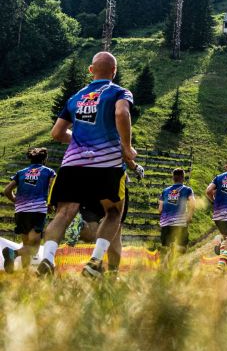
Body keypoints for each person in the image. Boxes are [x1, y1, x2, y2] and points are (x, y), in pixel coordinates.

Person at [38, 52, 136, 278]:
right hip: (107, 165)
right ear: (114, 71)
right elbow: (121, 112)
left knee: (63, 213)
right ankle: (94, 261)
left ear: (91, 71)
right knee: (113, 213)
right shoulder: (119, 91)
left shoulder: (75, 97)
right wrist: (128, 147)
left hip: (73, 164)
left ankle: (48, 259)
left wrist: (79, 139)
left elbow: (56, 133)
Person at [2, 148, 56, 272]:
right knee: (34, 248)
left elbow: (6, 191)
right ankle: (13, 253)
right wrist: (50, 204)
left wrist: (16, 200)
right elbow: (53, 189)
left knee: (26, 245)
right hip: (37, 211)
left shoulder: (21, 172)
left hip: (20, 211)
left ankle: (24, 274)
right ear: (45, 159)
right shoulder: (49, 172)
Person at [157, 168, 195, 257]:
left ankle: (166, 265)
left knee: (165, 247)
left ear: (173, 178)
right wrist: (189, 216)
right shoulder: (187, 190)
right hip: (180, 223)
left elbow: (160, 210)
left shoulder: (165, 191)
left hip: (166, 223)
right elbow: (192, 204)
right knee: (182, 247)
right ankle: (176, 262)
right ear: (183, 177)